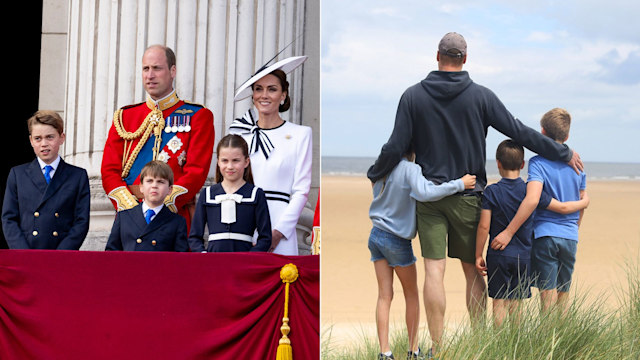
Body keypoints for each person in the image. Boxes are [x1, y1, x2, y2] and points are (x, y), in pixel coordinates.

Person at [366, 32, 583, 356]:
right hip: (471, 196)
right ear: (465, 59)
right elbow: (519, 131)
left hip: (431, 199)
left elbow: (396, 146)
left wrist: (375, 172)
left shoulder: (413, 96)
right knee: (472, 269)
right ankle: (483, 345)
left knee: (434, 271)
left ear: (437, 56)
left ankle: (437, 349)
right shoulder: (481, 96)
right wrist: (561, 152)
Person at [369, 145, 476, 360]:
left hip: (376, 235)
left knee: (384, 295)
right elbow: (426, 192)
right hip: (396, 239)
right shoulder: (409, 169)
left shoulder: (380, 169)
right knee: (412, 295)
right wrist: (458, 184)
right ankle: (413, 350)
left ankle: (384, 352)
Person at [475, 140, 590, 325]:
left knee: (499, 301)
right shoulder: (531, 192)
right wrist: (583, 203)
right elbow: (560, 207)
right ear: (522, 165)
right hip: (524, 256)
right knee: (517, 302)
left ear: (497, 163)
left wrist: (478, 253)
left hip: (498, 254)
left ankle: (498, 344)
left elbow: (484, 226)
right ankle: (516, 343)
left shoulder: (491, 192)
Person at [101, 45, 215, 232]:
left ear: (172, 71)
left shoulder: (198, 116)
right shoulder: (124, 117)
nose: (150, 75)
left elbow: (196, 172)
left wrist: (163, 207)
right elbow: (109, 170)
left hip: (173, 218)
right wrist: (131, 209)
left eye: (157, 68)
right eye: (146, 69)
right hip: (129, 217)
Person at [491, 108, 587, 313]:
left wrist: (508, 232)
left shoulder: (538, 163)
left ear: (541, 133)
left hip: (545, 235)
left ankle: (546, 342)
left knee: (547, 296)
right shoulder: (578, 166)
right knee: (563, 293)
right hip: (570, 236)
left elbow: (533, 199)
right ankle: (562, 339)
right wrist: (574, 228)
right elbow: (582, 203)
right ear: (567, 136)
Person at [230, 56, 312, 255]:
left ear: (283, 95)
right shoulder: (239, 133)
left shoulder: (301, 134)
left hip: (280, 227)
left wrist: (278, 233)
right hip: (242, 224)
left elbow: (301, 191)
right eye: (258, 89)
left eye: (272, 89)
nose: (264, 95)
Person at [2, 110, 90, 250]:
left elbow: (81, 221)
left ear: (62, 138)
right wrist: (23, 254)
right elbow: (9, 219)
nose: (44, 143)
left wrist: (60, 255)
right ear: (31, 140)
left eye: (50, 137)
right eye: (38, 138)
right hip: (26, 255)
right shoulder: (17, 175)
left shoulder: (77, 176)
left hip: (61, 256)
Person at [188, 134, 271, 252]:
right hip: (214, 262)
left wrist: (251, 257)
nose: (230, 166)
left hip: (244, 262)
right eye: (225, 161)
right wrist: (203, 255)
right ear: (218, 162)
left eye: (236, 160)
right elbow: (194, 237)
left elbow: (265, 238)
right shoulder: (207, 194)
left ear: (246, 162)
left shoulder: (256, 194)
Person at [106, 160, 188, 251]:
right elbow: (111, 253)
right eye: (149, 181)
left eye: (160, 182)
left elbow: (180, 260)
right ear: (141, 187)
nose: (154, 186)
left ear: (170, 189)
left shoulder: (177, 222)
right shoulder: (124, 217)